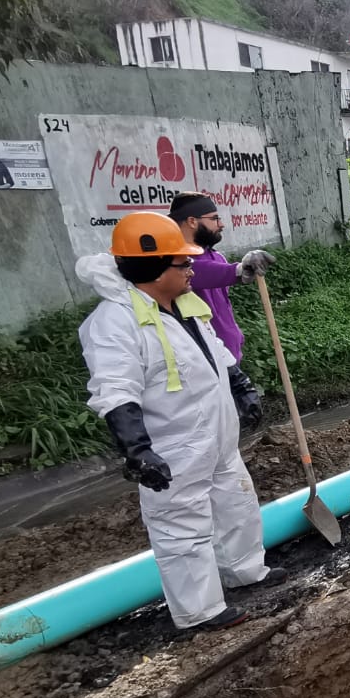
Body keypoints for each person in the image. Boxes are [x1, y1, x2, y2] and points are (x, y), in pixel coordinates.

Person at [76, 212, 285, 632]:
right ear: (152, 269)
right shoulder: (115, 323)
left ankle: (245, 570)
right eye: (183, 263)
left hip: (217, 436)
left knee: (236, 504)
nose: (193, 268)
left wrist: (240, 385)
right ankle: (200, 610)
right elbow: (115, 390)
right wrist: (137, 449)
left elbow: (215, 352)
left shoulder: (184, 304)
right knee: (180, 526)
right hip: (176, 445)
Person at [166, 193, 275, 363]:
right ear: (192, 221)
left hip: (230, 354)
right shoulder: (173, 261)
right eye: (215, 219)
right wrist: (239, 269)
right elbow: (200, 272)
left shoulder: (216, 257)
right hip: (204, 358)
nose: (221, 224)